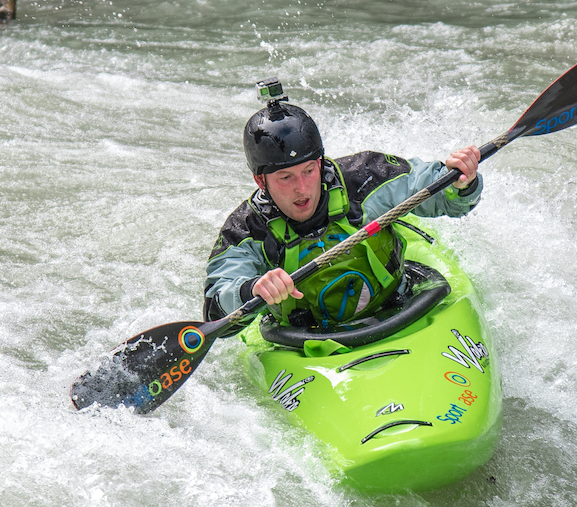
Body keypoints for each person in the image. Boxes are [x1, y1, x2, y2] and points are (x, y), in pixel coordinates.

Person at [203, 82, 482, 332]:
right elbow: (217, 307)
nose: (301, 188)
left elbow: (446, 198)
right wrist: (251, 288)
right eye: (286, 178)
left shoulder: (365, 178)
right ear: (260, 180)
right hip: (307, 340)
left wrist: (460, 182)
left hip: (400, 308)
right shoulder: (247, 229)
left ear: (321, 163)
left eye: (309, 171)